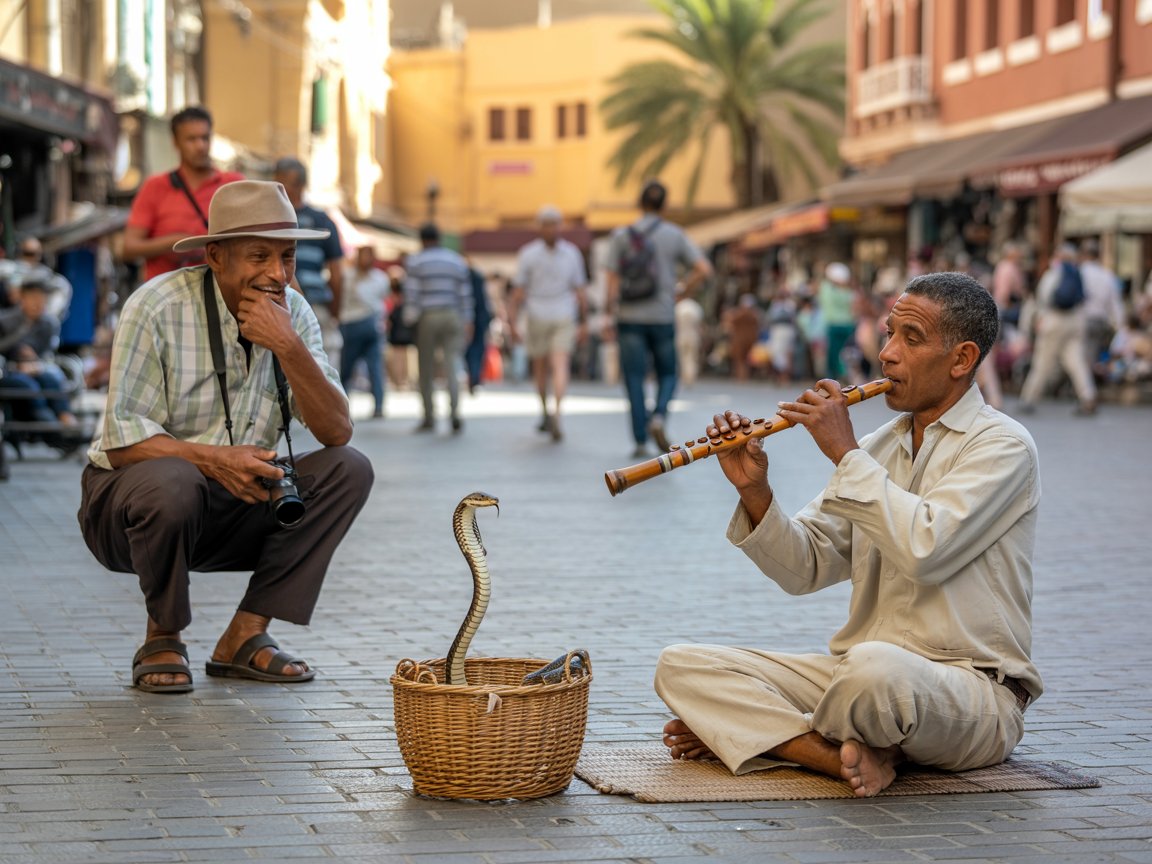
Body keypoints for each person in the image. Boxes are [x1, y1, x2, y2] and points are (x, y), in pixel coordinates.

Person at [655, 271, 1041, 798]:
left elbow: (925, 551)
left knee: (872, 669)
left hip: (968, 693)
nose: (886, 354)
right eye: (888, 333)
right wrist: (754, 491)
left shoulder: (1003, 447)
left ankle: (770, 735)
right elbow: (805, 567)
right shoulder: (881, 447)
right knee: (682, 666)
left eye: (911, 338)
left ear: (961, 359)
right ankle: (833, 754)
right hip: (856, 679)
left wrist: (844, 453)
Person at [77, 181, 373, 694]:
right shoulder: (157, 306)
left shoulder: (295, 312)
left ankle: (245, 637)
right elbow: (122, 442)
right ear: (215, 256)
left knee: (349, 468)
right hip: (134, 509)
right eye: (259, 256)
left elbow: (336, 430)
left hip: (237, 503)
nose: (277, 274)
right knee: (172, 480)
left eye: (287, 256)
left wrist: (289, 346)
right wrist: (213, 459)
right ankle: (162, 636)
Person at [604, 180, 712, 458]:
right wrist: (681, 292)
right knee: (668, 373)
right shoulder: (674, 235)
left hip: (629, 316)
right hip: (662, 315)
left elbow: (612, 280)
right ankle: (659, 416)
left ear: (640, 204)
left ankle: (640, 439)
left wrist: (609, 312)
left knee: (634, 377)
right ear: (664, 205)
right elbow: (703, 269)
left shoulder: (621, 236)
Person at [122, 106, 245, 282]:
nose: (200, 146)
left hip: (220, 292)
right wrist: (176, 244)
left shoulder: (233, 184)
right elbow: (129, 248)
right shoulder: (155, 186)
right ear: (175, 142)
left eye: (205, 138)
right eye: (191, 139)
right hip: (167, 295)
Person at [508, 205, 588, 441]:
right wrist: (583, 321)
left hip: (551, 314)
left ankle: (552, 413)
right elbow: (580, 291)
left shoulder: (530, 253)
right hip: (547, 314)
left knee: (549, 365)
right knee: (552, 365)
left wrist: (512, 321)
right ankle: (552, 412)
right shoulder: (569, 253)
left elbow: (518, 292)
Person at [403, 223, 473, 433]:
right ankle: (454, 412)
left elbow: (412, 294)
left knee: (426, 367)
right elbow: (465, 294)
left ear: (423, 240)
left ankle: (429, 415)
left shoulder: (416, 261)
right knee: (453, 363)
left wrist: (409, 320)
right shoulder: (455, 261)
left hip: (428, 316)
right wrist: (468, 320)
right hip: (452, 314)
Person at [272, 157, 345, 357]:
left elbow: (337, 275)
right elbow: (337, 274)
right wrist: (334, 313)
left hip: (287, 307)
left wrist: (333, 313)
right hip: (291, 306)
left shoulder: (270, 220)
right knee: (324, 370)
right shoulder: (323, 220)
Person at [1017, 243, 1097, 416]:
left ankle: (1028, 398)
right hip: (1075, 321)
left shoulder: (1054, 273)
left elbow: (1043, 298)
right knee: (1076, 361)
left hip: (1054, 320)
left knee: (1042, 362)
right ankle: (1088, 396)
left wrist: (1038, 319)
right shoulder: (1077, 273)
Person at [0, 278, 78, 427]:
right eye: (33, 298)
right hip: (9, 370)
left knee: (52, 379)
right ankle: (46, 423)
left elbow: (48, 353)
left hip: (37, 367)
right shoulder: (5, 320)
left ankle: (64, 417)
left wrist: (35, 362)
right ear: (22, 298)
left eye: (42, 298)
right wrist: (23, 330)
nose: (38, 303)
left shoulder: (49, 323)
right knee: (28, 386)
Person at [339, 244, 389, 419]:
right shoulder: (350, 276)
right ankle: (346, 405)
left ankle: (375, 405)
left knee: (361, 367)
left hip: (360, 324)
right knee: (354, 368)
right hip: (360, 324)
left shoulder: (350, 276)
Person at [1078, 239, 1125, 373]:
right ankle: (1086, 385)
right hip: (1100, 321)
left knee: (1081, 355)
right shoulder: (1107, 275)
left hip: (1081, 320)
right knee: (1090, 355)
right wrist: (1120, 326)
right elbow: (1116, 304)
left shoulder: (1079, 273)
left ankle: (1084, 387)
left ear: (1083, 255)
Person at [819, 262, 857, 382]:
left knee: (834, 353)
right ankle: (838, 375)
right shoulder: (848, 293)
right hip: (846, 325)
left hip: (835, 325)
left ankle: (835, 376)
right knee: (840, 352)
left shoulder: (826, 289)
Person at [463, 261, 493, 396]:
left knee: (471, 350)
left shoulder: (466, 279)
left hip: (471, 318)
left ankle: (473, 377)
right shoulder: (477, 278)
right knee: (477, 350)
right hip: (478, 318)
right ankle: (474, 378)